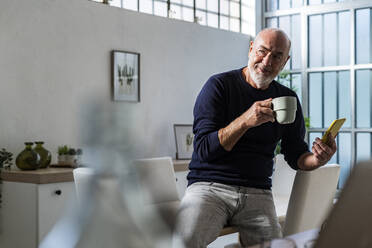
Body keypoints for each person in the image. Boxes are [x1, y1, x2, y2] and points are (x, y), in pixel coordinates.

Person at [175, 28, 337, 248]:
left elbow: (296, 154)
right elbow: (203, 149)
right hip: (209, 187)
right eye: (262, 51)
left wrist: (317, 160)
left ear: (285, 61)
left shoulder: (288, 98)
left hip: (257, 191)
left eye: (277, 56)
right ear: (251, 49)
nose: (267, 61)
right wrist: (245, 121)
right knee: (184, 242)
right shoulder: (219, 86)